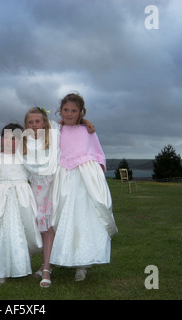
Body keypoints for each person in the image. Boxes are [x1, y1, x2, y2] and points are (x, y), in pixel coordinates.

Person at [21, 107, 96, 288]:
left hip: (54, 188)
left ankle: (47, 269)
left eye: (38, 121)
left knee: (50, 229)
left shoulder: (54, 134)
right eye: (30, 122)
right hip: (34, 192)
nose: (34, 125)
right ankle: (44, 263)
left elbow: (68, 121)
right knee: (39, 229)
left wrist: (85, 121)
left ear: (45, 123)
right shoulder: (25, 141)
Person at [50, 93, 118, 282]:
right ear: (60, 110)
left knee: (82, 216)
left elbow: (97, 153)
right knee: (62, 215)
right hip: (63, 175)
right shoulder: (56, 130)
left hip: (83, 178)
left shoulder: (88, 131)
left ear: (81, 112)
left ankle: (82, 264)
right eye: (66, 110)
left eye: (74, 111)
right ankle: (62, 255)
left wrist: (85, 121)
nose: (69, 114)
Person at [0, 123, 42, 284]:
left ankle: (20, 266)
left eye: (14, 138)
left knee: (19, 230)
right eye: (5, 138)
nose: (9, 141)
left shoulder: (26, 157)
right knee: (0, 230)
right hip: (0, 199)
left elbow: (39, 175)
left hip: (21, 199)